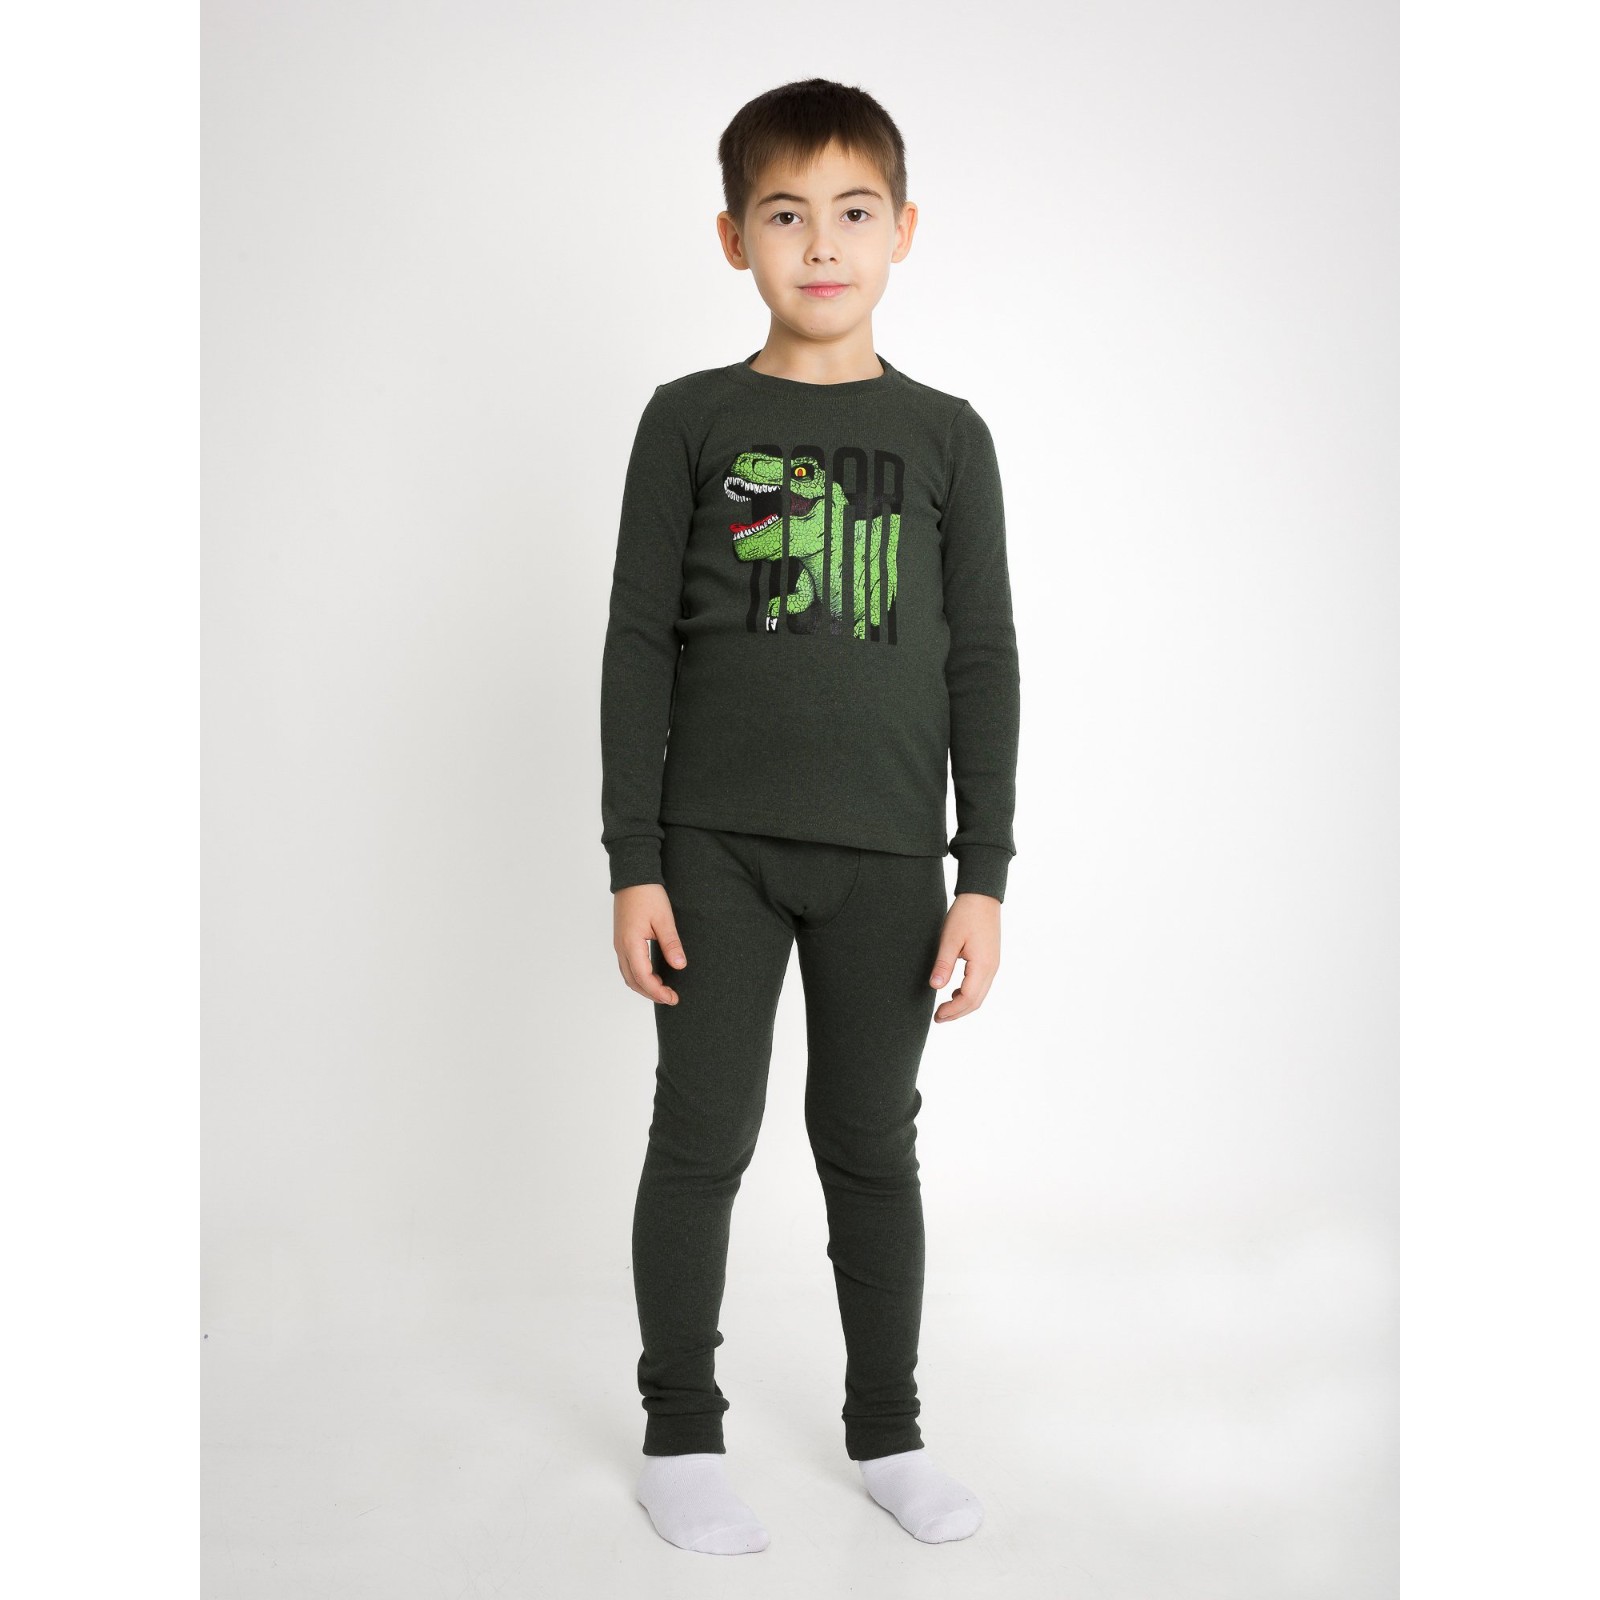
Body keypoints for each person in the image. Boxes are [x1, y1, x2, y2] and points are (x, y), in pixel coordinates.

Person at [599, 76, 1020, 1556]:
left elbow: (981, 658)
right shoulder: (691, 420)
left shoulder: (948, 437)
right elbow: (638, 643)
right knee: (702, 1133)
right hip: (712, 849)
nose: (821, 244)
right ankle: (679, 1433)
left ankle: (889, 1430)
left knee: (870, 1145)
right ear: (735, 238)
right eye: (785, 215)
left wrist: (983, 875)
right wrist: (635, 861)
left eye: (852, 212)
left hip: (891, 861)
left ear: (902, 229)